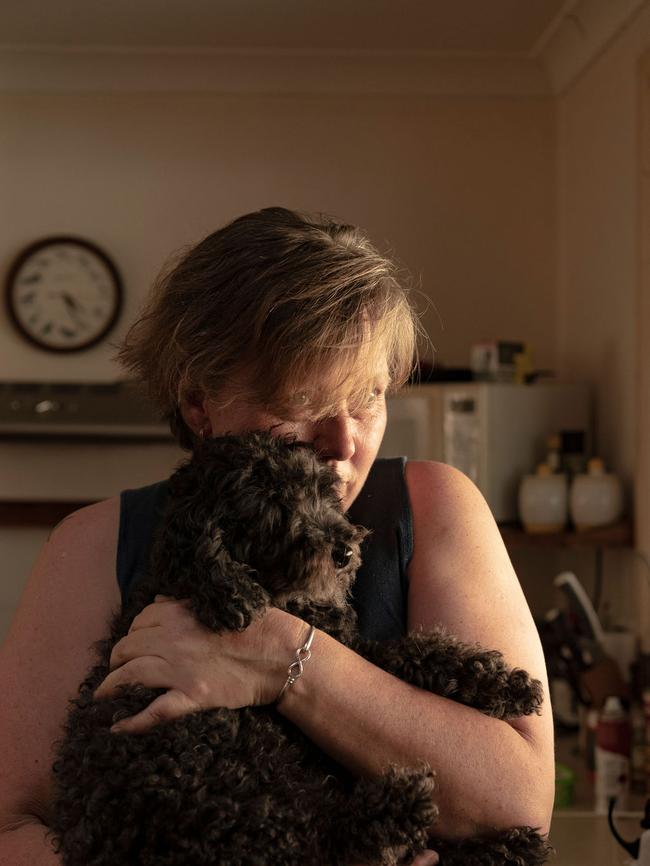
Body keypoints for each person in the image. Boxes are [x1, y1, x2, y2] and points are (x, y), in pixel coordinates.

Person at [0, 207, 554, 865]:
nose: (344, 445)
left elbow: (517, 806)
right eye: (302, 408)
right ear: (199, 403)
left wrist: (281, 657)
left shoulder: (432, 509)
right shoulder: (94, 544)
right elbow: (12, 830)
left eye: (367, 399)